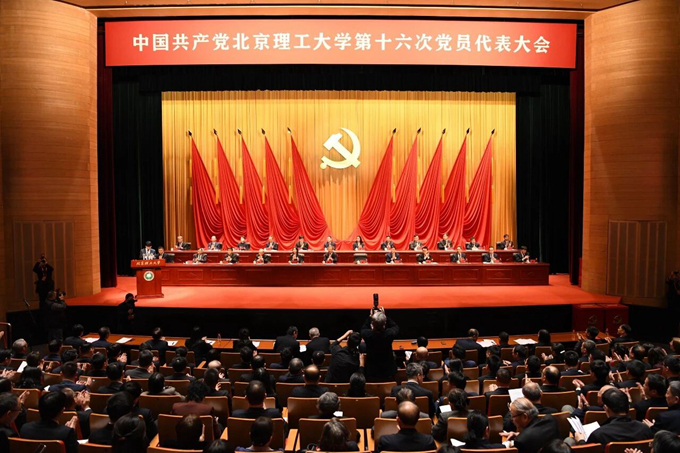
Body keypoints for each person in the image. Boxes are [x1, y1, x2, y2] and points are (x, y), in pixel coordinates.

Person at [573, 388, 652, 446]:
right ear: (628, 407)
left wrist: (581, 441)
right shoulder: (645, 429)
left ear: (606, 409)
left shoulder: (599, 434)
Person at [361, 308, 399, 382]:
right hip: (388, 370)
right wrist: (385, 316)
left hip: (372, 370)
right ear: (384, 324)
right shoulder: (389, 334)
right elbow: (395, 327)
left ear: (372, 324)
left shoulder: (368, 335)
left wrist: (370, 317)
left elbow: (363, 328)